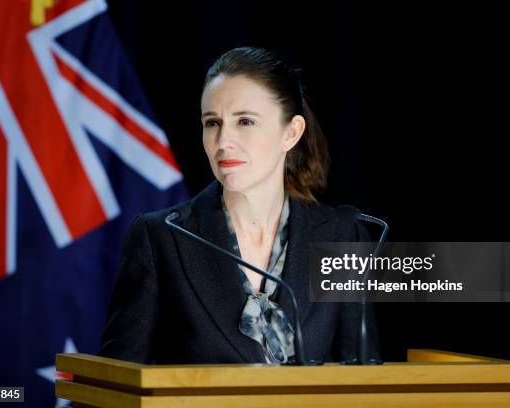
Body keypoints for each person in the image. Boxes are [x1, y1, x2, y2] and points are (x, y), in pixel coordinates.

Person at [99, 47, 380, 365]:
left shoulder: (343, 237)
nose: (222, 142)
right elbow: (117, 382)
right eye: (212, 123)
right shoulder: (161, 238)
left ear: (291, 133)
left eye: (245, 121)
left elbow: (363, 379)